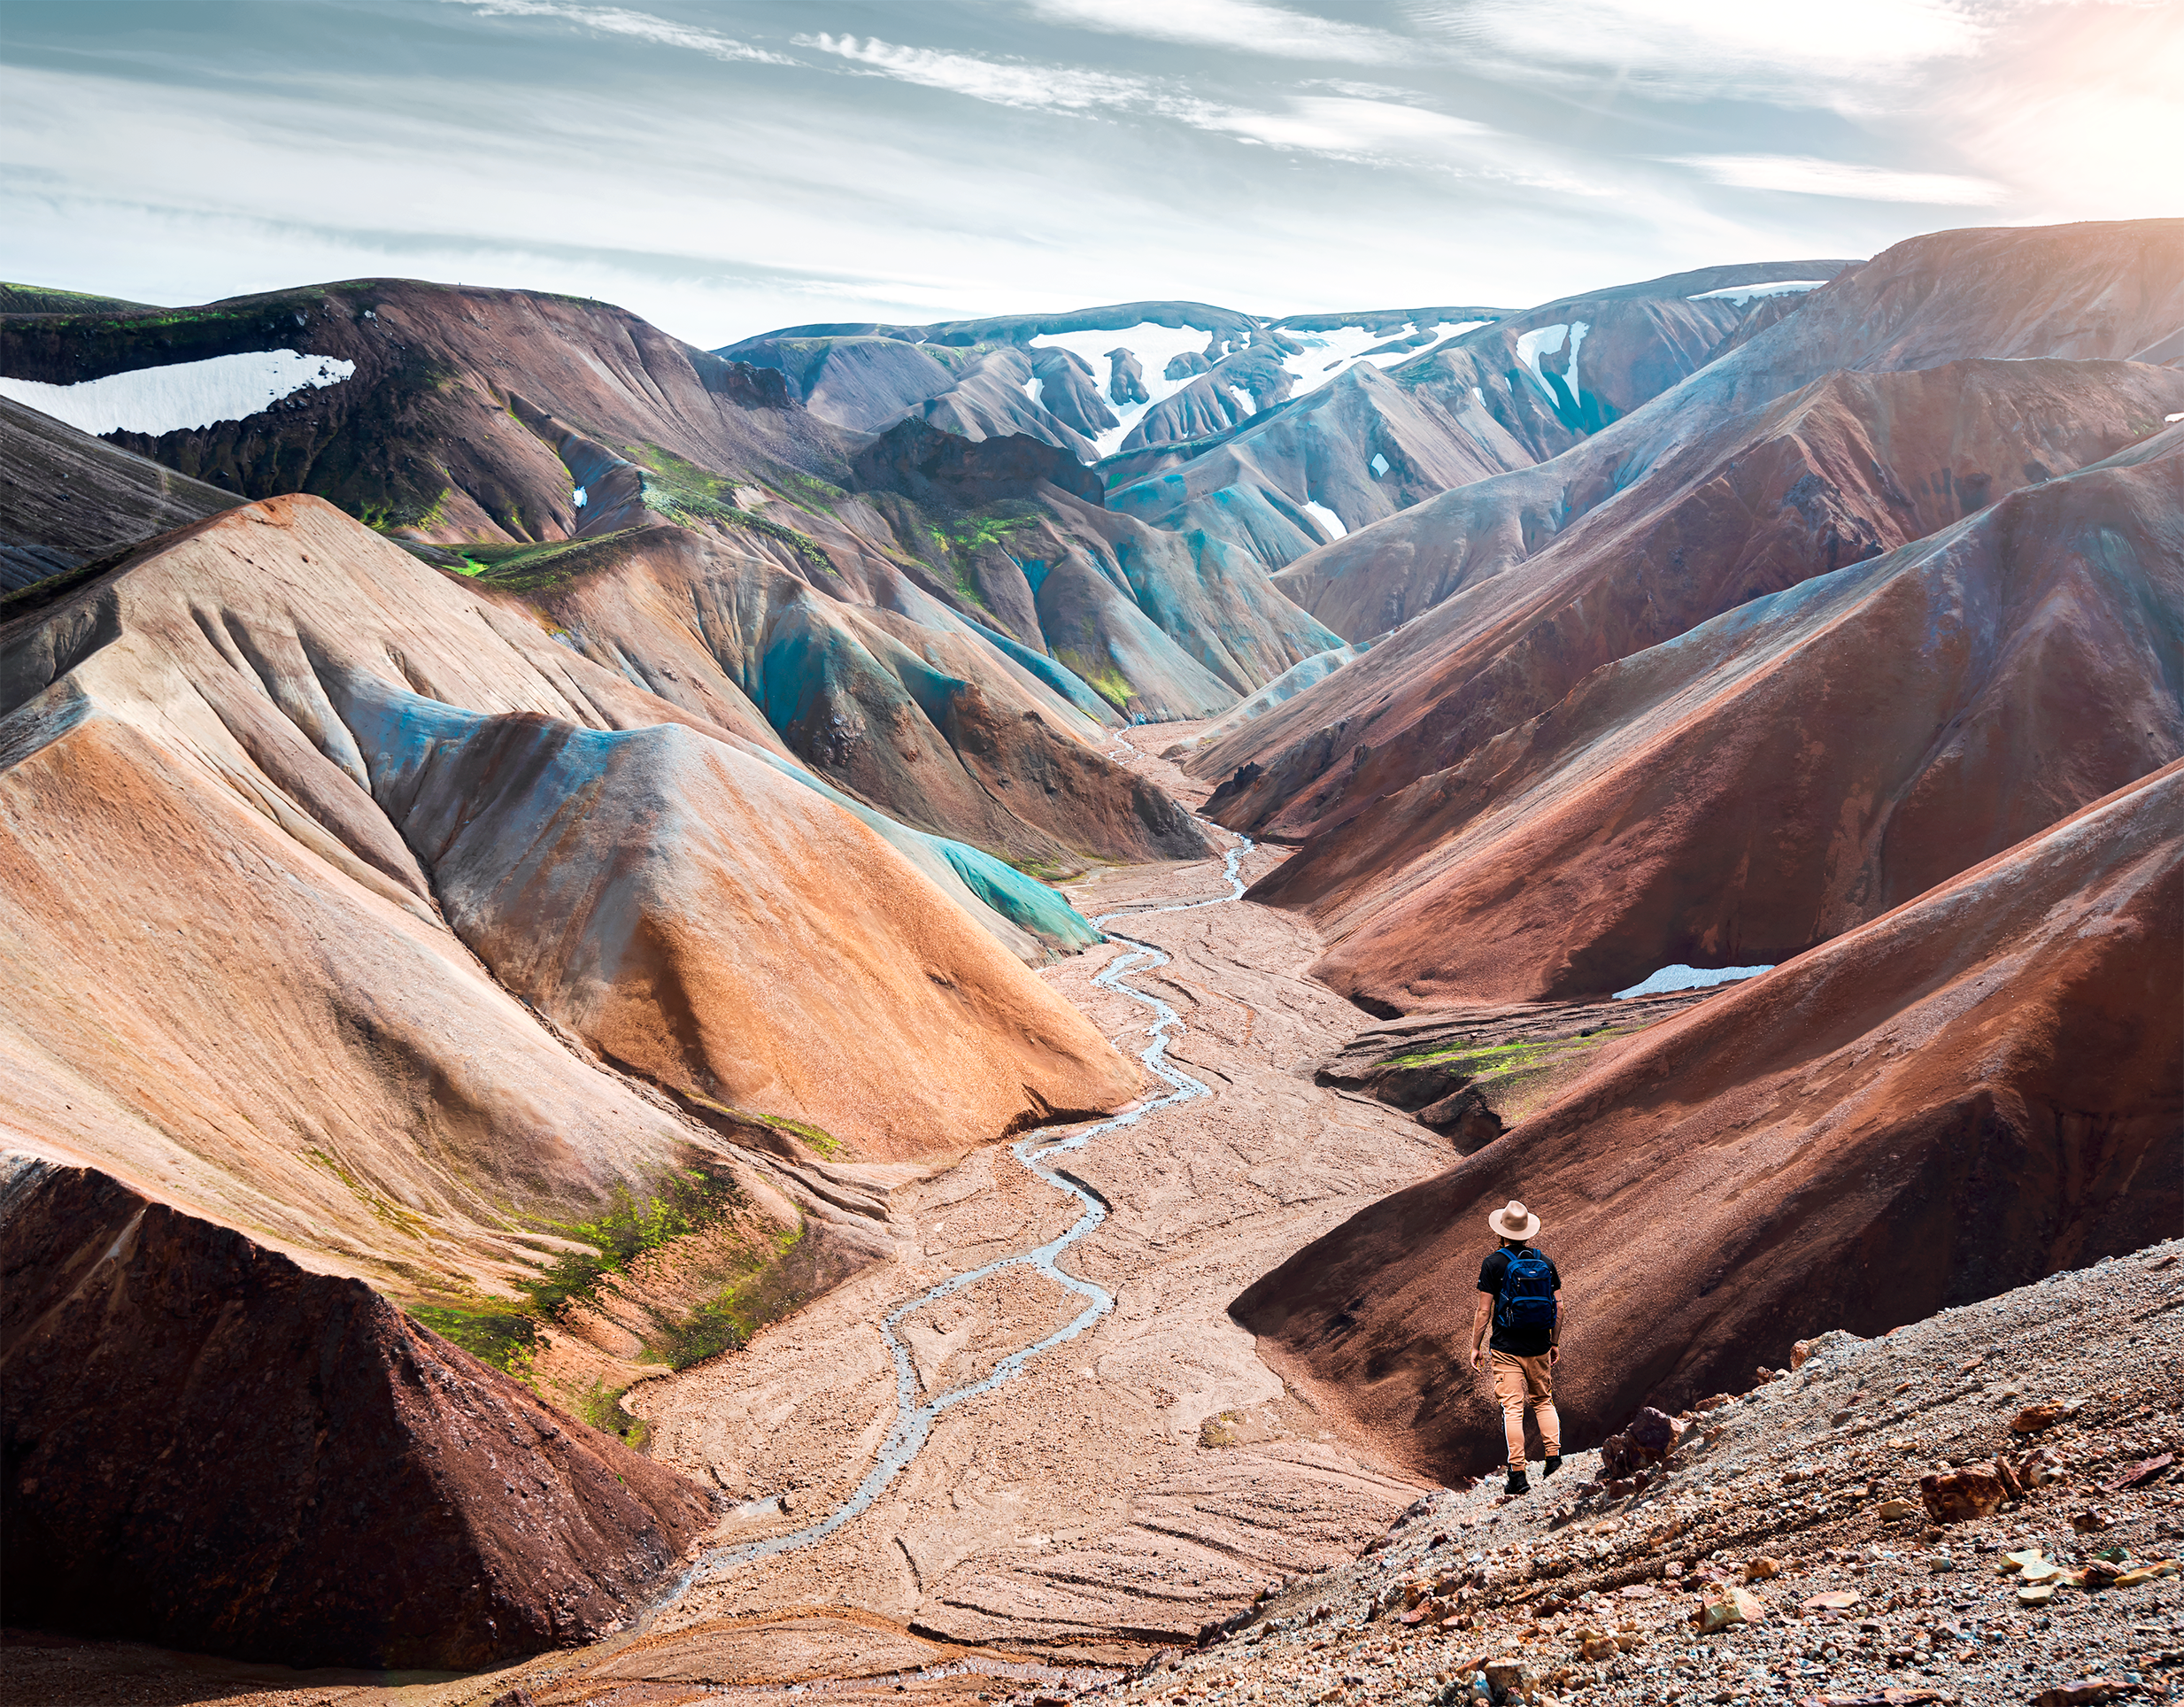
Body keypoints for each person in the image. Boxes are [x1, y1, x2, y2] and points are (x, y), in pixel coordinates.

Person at [1468, 1198, 1562, 1495]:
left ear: (1502, 1231)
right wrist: (1553, 1342)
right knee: (1543, 1401)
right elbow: (1559, 1306)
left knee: (1513, 1409)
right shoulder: (1544, 1262)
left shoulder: (1493, 1263)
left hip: (1506, 1347)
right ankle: (1554, 1460)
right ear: (1527, 1231)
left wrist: (1476, 1346)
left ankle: (1518, 1475)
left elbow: (1484, 1311)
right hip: (1539, 1345)